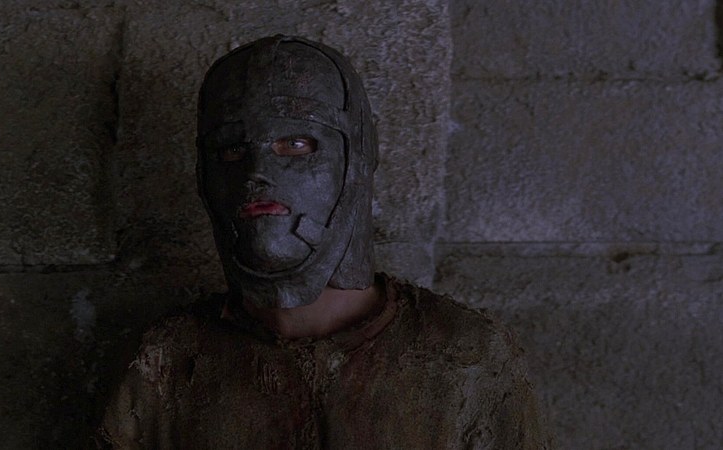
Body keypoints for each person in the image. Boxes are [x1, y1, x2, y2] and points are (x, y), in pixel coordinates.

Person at [99, 35, 550, 449]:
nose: (257, 173)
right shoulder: (167, 362)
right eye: (232, 150)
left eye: (295, 144)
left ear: (355, 158)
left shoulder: (466, 358)